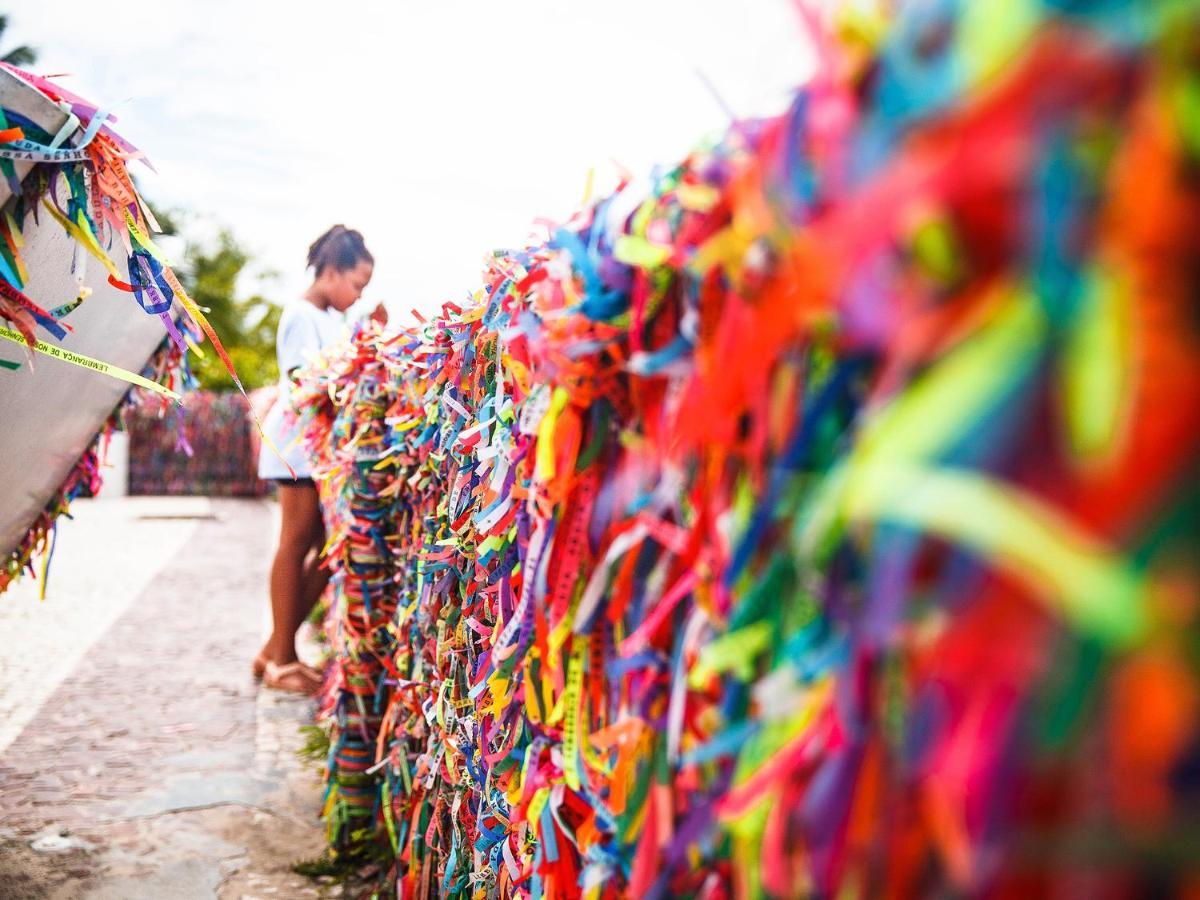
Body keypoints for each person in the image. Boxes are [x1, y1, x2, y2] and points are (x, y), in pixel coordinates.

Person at [254, 225, 383, 693]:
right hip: (296, 447)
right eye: (356, 284)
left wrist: (368, 337)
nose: (357, 295)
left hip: (319, 449)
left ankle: (274, 648)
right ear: (331, 272)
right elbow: (305, 379)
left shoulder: (333, 318)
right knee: (296, 543)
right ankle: (282, 660)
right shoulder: (300, 315)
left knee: (326, 550)